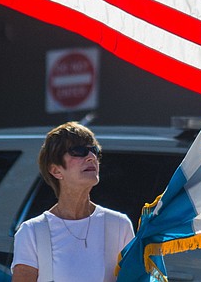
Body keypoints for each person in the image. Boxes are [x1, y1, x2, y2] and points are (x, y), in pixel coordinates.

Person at [11, 121, 134, 282]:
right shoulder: (32, 231)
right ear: (55, 170)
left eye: (94, 151)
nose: (91, 157)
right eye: (79, 151)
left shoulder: (119, 225)